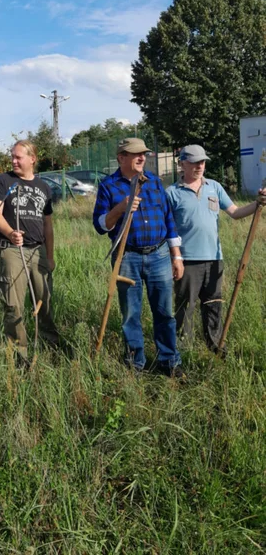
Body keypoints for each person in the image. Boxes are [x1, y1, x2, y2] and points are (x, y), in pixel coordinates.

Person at [93, 138, 185, 377]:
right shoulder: (108, 185)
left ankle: (169, 361)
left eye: (143, 153)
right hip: (127, 257)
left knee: (164, 312)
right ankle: (136, 364)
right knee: (131, 314)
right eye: (135, 154)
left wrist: (176, 256)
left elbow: (168, 219)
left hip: (160, 255)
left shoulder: (154, 182)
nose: (141, 158)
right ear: (121, 157)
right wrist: (120, 208)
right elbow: (100, 225)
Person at [166, 144, 266, 353]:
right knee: (186, 307)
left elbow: (236, 212)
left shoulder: (214, 187)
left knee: (213, 304)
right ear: (182, 164)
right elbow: (167, 229)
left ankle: (216, 346)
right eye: (194, 162)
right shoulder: (172, 193)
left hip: (214, 258)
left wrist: (257, 204)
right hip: (187, 261)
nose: (199, 166)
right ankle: (184, 350)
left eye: (202, 162)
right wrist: (175, 258)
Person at [0, 140, 68, 363]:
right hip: (13, 250)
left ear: (32, 159)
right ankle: (18, 355)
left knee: (45, 302)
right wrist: (10, 232)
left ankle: (51, 348)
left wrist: (50, 256)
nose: (13, 161)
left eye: (18, 157)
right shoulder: (3, 181)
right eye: (12, 157)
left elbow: (48, 225)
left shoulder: (44, 187)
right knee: (13, 305)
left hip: (39, 251)